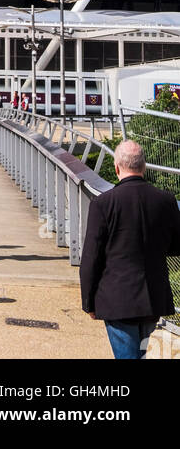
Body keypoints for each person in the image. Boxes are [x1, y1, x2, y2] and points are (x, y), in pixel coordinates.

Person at [79, 139, 180, 360]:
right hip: (153, 298)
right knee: (140, 353)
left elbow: (91, 257)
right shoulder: (166, 200)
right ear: (143, 166)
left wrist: (88, 302)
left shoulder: (103, 203)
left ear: (117, 168)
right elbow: (176, 244)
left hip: (117, 300)